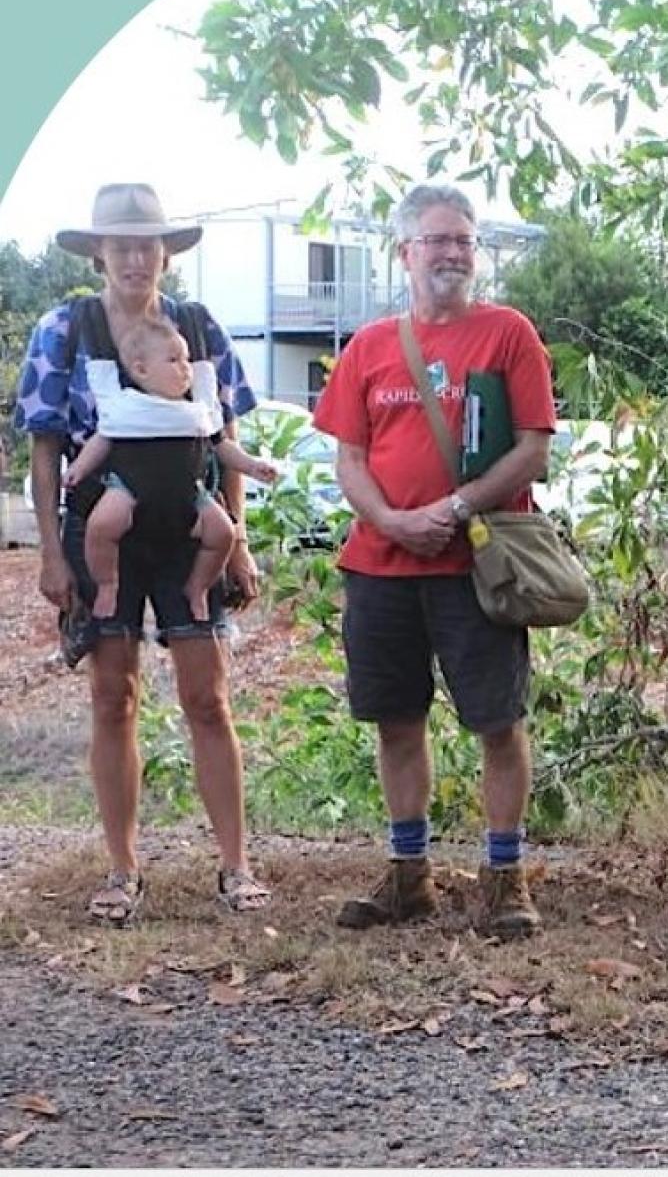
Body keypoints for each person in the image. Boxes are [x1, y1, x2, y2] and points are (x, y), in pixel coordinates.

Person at [11, 182, 273, 924]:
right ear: (97, 252)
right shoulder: (65, 327)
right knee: (111, 696)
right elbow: (46, 449)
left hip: (190, 528)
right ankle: (122, 870)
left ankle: (236, 866)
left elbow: (227, 441)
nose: (134, 257)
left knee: (208, 695)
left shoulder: (197, 325)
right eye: (120, 244)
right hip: (104, 531)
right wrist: (52, 557)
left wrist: (238, 540)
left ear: (166, 252)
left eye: (147, 244)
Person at [312, 183, 557, 941]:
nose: (454, 253)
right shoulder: (369, 348)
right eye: (438, 240)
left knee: (497, 720)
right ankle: (408, 873)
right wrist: (388, 519)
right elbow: (349, 457)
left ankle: (505, 876)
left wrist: (451, 511)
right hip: (380, 568)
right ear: (404, 252)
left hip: (475, 566)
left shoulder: (509, 333)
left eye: (465, 241)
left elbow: (533, 449)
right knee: (396, 721)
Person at [66, 314, 280, 624]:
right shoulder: (125, 405)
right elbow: (102, 441)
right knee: (100, 526)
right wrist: (79, 468)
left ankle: (197, 587)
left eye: (188, 359)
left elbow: (221, 446)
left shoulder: (197, 409)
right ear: (141, 369)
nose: (185, 367)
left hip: (190, 496)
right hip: (128, 492)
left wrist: (252, 465)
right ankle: (107, 584)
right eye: (174, 359)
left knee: (223, 532)